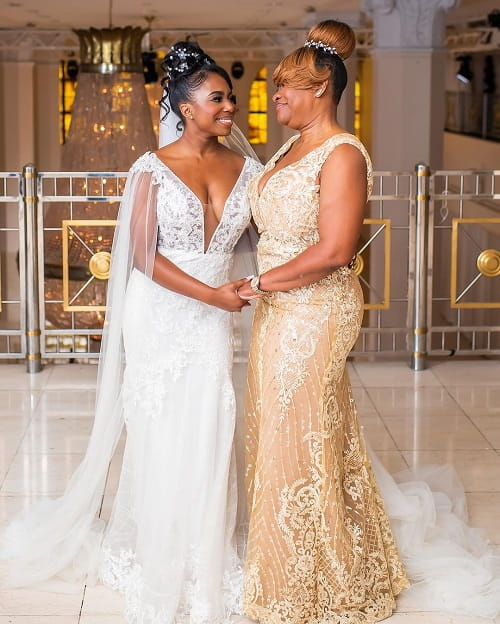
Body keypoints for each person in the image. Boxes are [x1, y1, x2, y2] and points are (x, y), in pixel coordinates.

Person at [237, 19, 500, 624]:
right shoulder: (287, 148)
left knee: (296, 430)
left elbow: (334, 249)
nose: (276, 95)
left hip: (316, 308)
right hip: (279, 304)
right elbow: (274, 225)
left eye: (288, 86)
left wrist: (257, 282)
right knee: (287, 428)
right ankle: (301, 557)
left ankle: (310, 578)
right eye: (277, 86)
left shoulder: (343, 152)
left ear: (323, 85)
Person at [0, 41, 263, 624]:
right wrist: (214, 295)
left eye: (231, 99)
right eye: (217, 98)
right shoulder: (150, 169)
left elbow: (256, 242)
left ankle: (208, 546)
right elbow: (143, 256)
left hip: (216, 312)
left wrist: (251, 285)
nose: (230, 108)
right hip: (163, 310)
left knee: (213, 418)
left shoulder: (251, 170)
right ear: (185, 106)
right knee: (161, 427)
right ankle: (160, 542)